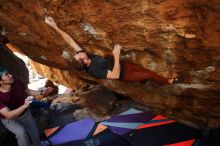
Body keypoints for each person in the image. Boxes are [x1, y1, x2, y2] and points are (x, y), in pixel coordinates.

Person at [45, 17, 177, 85]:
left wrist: (54, 26)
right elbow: (114, 75)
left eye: (77, 53)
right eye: (78, 55)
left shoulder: (85, 56)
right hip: (124, 75)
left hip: (125, 66)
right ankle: (167, 82)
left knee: (145, 72)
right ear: (84, 62)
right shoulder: (94, 70)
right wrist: (116, 56)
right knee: (150, 75)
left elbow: (70, 41)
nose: (77, 52)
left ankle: (142, 80)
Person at [0, 67, 53, 146]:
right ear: (0, 81)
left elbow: (28, 91)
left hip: (24, 114)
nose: (10, 75)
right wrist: (24, 106)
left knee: (34, 132)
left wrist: (42, 92)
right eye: (6, 75)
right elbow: (8, 114)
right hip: (10, 119)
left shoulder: (17, 82)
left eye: (9, 73)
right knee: (21, 133)